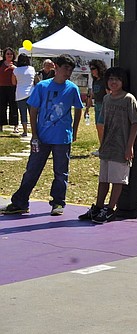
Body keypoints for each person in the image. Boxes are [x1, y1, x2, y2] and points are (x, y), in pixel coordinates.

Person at [2, 54, 84, 216]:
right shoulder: (42, 86)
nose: (67, 72)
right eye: (65, 68)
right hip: (42, 137)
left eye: (70, 69)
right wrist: (34, 133)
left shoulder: (72, 88)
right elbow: (33, 110)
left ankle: (58, 203)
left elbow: (78, 109)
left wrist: (74, 131)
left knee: (61, 172)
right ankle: (20, 202)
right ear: (56, 67)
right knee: (32, 170)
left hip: (62, 138)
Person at [78, 67, 137, 224]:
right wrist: (102, 143)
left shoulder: (129, 99)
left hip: (121, 146)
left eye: (117, 79)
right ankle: (98, 207)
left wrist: (129, 146)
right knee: (103, 178)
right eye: (111, 79)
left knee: (117, 179)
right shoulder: (106, 99)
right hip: (107, 145)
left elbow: (135, 123)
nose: (114, 82)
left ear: (122, 82)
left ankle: (110, 209)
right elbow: (103, 123)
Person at [85, 59, 108, 154]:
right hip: (97, 106)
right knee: (98, 127)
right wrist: (87, 108)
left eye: (93, 68)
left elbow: (108, 94)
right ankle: (102, 147)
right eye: (90, 69)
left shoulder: (105, 80)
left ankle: (105, 148)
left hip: (104, 105)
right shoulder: (95, 81)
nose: (92, 71)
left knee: (101, 125)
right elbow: (92, 95)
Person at [13, 53, 36, 138]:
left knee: (23, 113)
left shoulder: (16, 70)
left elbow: (13, 82)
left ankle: (25, 131)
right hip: (31, 93)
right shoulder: (32, 69)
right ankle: (34, 131)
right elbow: (35, 80)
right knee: (33, 113)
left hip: (20, 93)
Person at [1, 47, 18, 133]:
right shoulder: (0, 63)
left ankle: (15, 126)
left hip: (13, 88)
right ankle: (1, 125)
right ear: (4, 55)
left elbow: (20, 75)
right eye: (7, 54)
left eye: (11, 54)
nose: (9, 55)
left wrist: (15, 68)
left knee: (13, 106)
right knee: (1, 107)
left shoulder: (16, 64)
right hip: (1, 88)